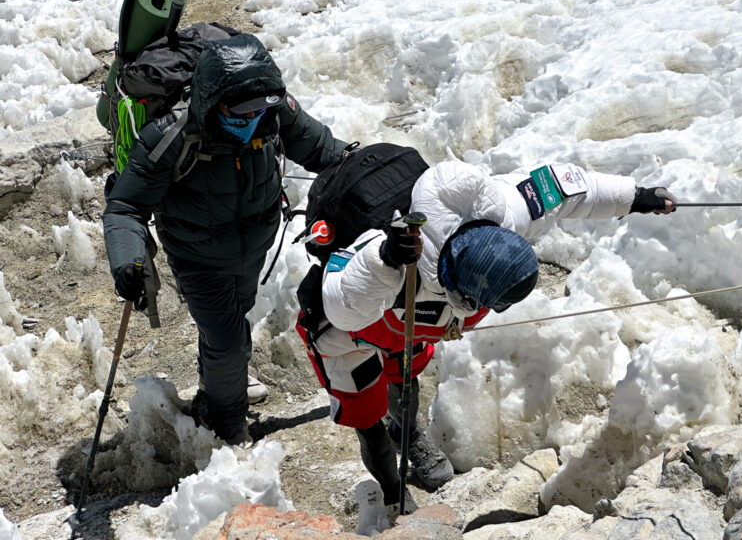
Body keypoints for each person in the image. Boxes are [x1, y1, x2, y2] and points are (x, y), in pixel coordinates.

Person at [297, 158, 674, 531]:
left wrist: (638, 197)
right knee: (367, 419)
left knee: (404, 380)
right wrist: (384, 260)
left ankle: (408, 435)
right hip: (348, 335)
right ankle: (394, 493)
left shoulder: (507, 212)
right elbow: (341, 302)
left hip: (408, 327)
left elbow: (567, 186)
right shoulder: (394, 257)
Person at [103, 33, 351, 445]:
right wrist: (128, 262)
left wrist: (370, 168)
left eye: (259, 111)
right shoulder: (172, 136)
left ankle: (218, 384)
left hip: (253, 245)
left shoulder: (272, 112)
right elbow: (126, 206)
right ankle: (226, 422)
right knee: (229, 340)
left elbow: (323, 149)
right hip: (196, 253)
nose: (250, 121)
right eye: (239, 114)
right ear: (211, 102)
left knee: (234, 320)